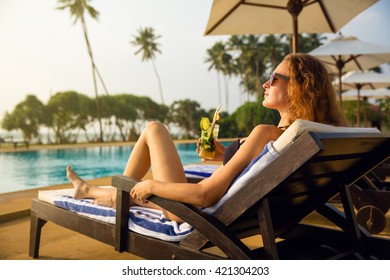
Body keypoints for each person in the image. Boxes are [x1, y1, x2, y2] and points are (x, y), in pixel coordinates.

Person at [66, 53, 345, 222]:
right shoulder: (296, 135)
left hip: (193, 214)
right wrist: (224, 155)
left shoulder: (266, 133)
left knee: (154, 129)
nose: (265, 83)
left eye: (274, 78)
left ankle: (118, 197)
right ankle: (92, 192)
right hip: (245, 212)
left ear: (296, 88)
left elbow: (205, 195)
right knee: (146, 182)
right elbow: (254, 168)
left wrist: (151, 184)